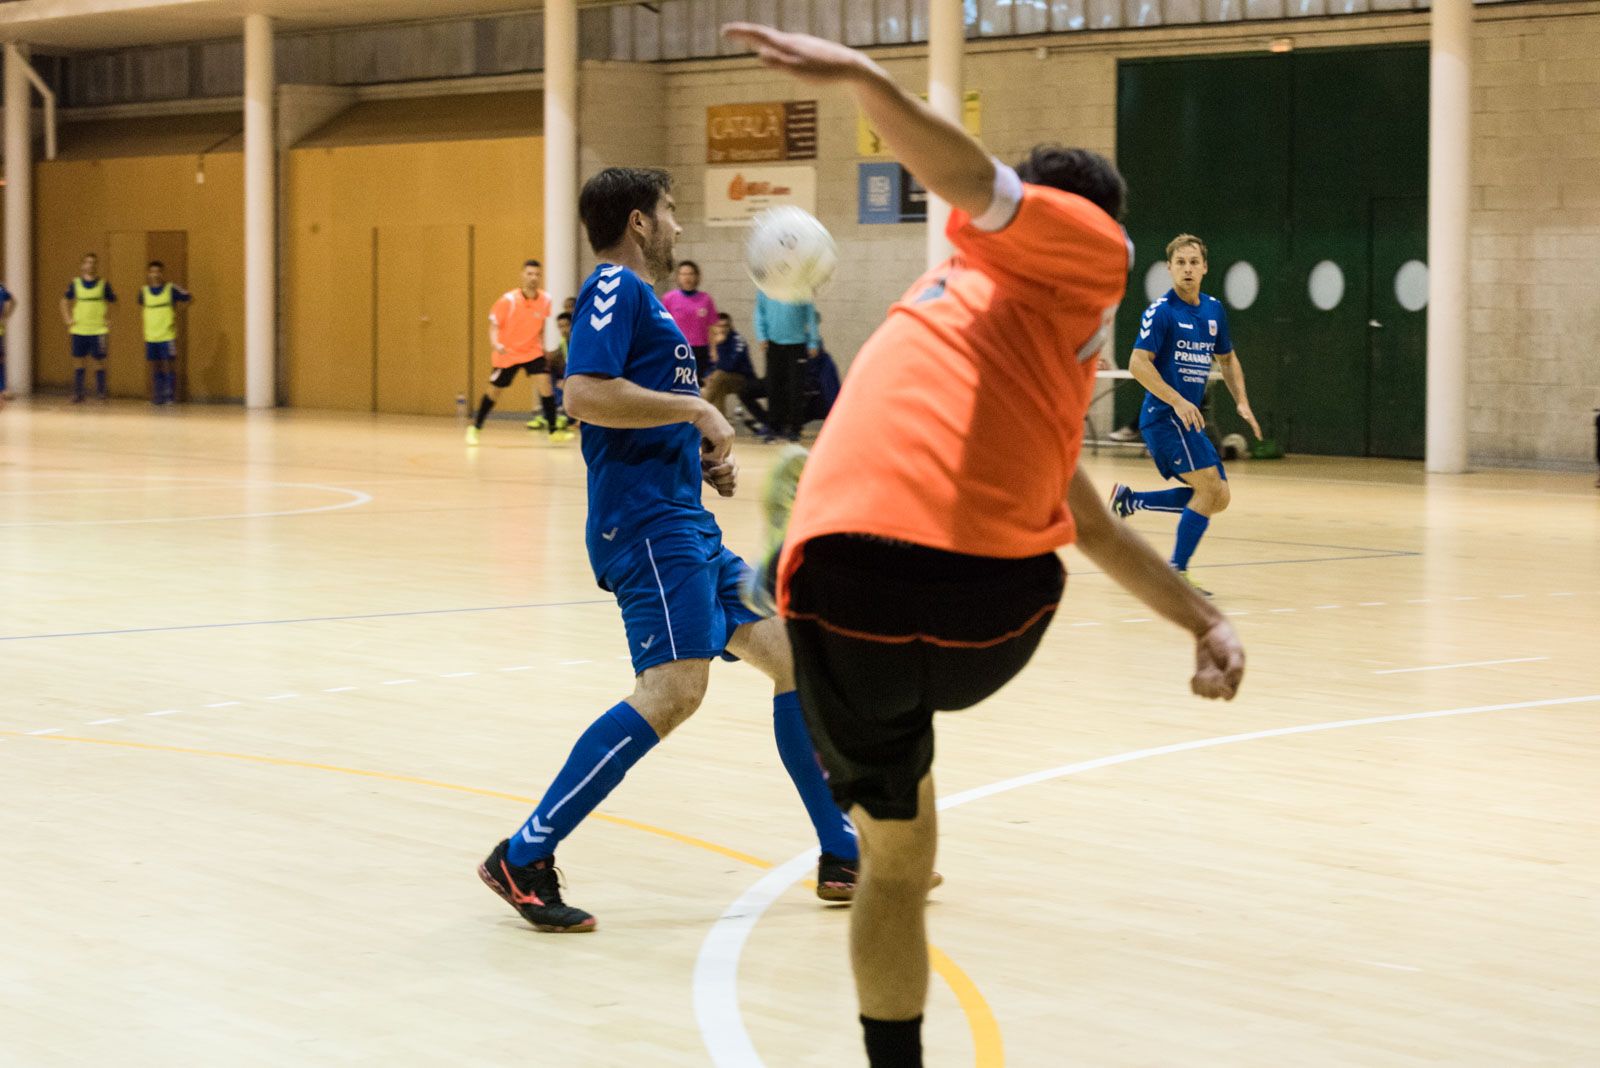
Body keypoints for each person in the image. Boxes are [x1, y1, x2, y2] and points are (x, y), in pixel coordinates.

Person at [723, 22, 1247, 1068]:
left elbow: (967, 181)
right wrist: (1206, 620)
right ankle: (797, 670)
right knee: (905, 861)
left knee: (890, 862)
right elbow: (1088, 528)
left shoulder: (954, 304)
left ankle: (773, 646)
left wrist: (1205, 613)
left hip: (838, 591)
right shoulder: (1090, 251)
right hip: (987, 612)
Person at [476, 166, 866, 933]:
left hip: (682, 520)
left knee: (794, 659)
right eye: (671, 212)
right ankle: (523, 854)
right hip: (648, 528)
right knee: (673, 691)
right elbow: (584, 394)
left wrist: (698, 448)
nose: (681, 226)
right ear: (639, 222)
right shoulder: (615, 289)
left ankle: (840, 851)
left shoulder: (644, 303)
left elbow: (633, 407)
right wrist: (697, 409)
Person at [1108, 234, 1261, 595]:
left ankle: (1131, 500)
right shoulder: (1161, 312)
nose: (1188, 269)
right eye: (1181, 263)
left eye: (1194, 262)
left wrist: (1242, 400)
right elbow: (1137, 363)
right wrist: (1176, 400)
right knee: (1208, 488)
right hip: (1163, 419)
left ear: (1205, 267)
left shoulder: (1212, 310)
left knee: (1218, 496)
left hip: (1188, 422)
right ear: (1170, 268)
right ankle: (1175, 571)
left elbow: (1227, 358)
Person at [466, 259, 571, 446]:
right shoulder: (508, 300)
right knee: (494, 391)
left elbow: (541, 326)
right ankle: (476, 427)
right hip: (508, 353)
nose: (533, 278)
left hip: (532, 351)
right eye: (530, 274)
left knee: (545, 385)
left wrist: (543, 346)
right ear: (522, 275)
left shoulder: (545, 299)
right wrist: (496, 344)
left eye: (537, 274)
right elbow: (493, 325)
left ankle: (554, 431)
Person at [753, 287, 818, 442]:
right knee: (773, 387)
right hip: (773, 345)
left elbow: (810, 316)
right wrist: (762, 335)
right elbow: (759, 313)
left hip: (797, 345)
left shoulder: (802, 289)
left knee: (796, 388)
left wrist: (813, 341)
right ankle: (774, 426)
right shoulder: (766, 288)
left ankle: (795, 428)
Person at [61, 253, 116, 404]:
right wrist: (68, 319)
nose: (90, 265)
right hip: (79, 329)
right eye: (87, 262)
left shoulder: (103, 284)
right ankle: (79, 393)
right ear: (82, 265)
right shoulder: (75, 283)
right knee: (79, 362)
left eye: (93, 263)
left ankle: (101, 393)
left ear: (96, 265)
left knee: (99, 361)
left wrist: (109, 319)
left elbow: (114, 302)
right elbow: (64, 301)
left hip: (98, 329)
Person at [137, 261, 192, 406]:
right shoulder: (144, 291)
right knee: (155, 365)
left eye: (158, 271)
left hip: (167, 335)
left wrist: (177, 312)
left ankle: (170, 395)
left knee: (169, 364)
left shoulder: (170, 289)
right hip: (151, 335)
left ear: (162, 273)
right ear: (148, 274)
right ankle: (158, 395)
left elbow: (189, 297)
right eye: (152, 271)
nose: (155, 274)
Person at [660, 259, 718, 381]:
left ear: (696, 276)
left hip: (701, 350)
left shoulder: (706, 299)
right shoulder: (669, 298)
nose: (687, 278)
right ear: (678, 277)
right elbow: (662, 326)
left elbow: (712, 327)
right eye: (683, 274)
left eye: (691, 274)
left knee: (699, 387)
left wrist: (714, 350)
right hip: (677, 349)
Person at [0, 279, 14, 408]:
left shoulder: (1, 288)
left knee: (1, 360)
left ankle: (3, 388)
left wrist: (5, 316)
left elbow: (11, 301)